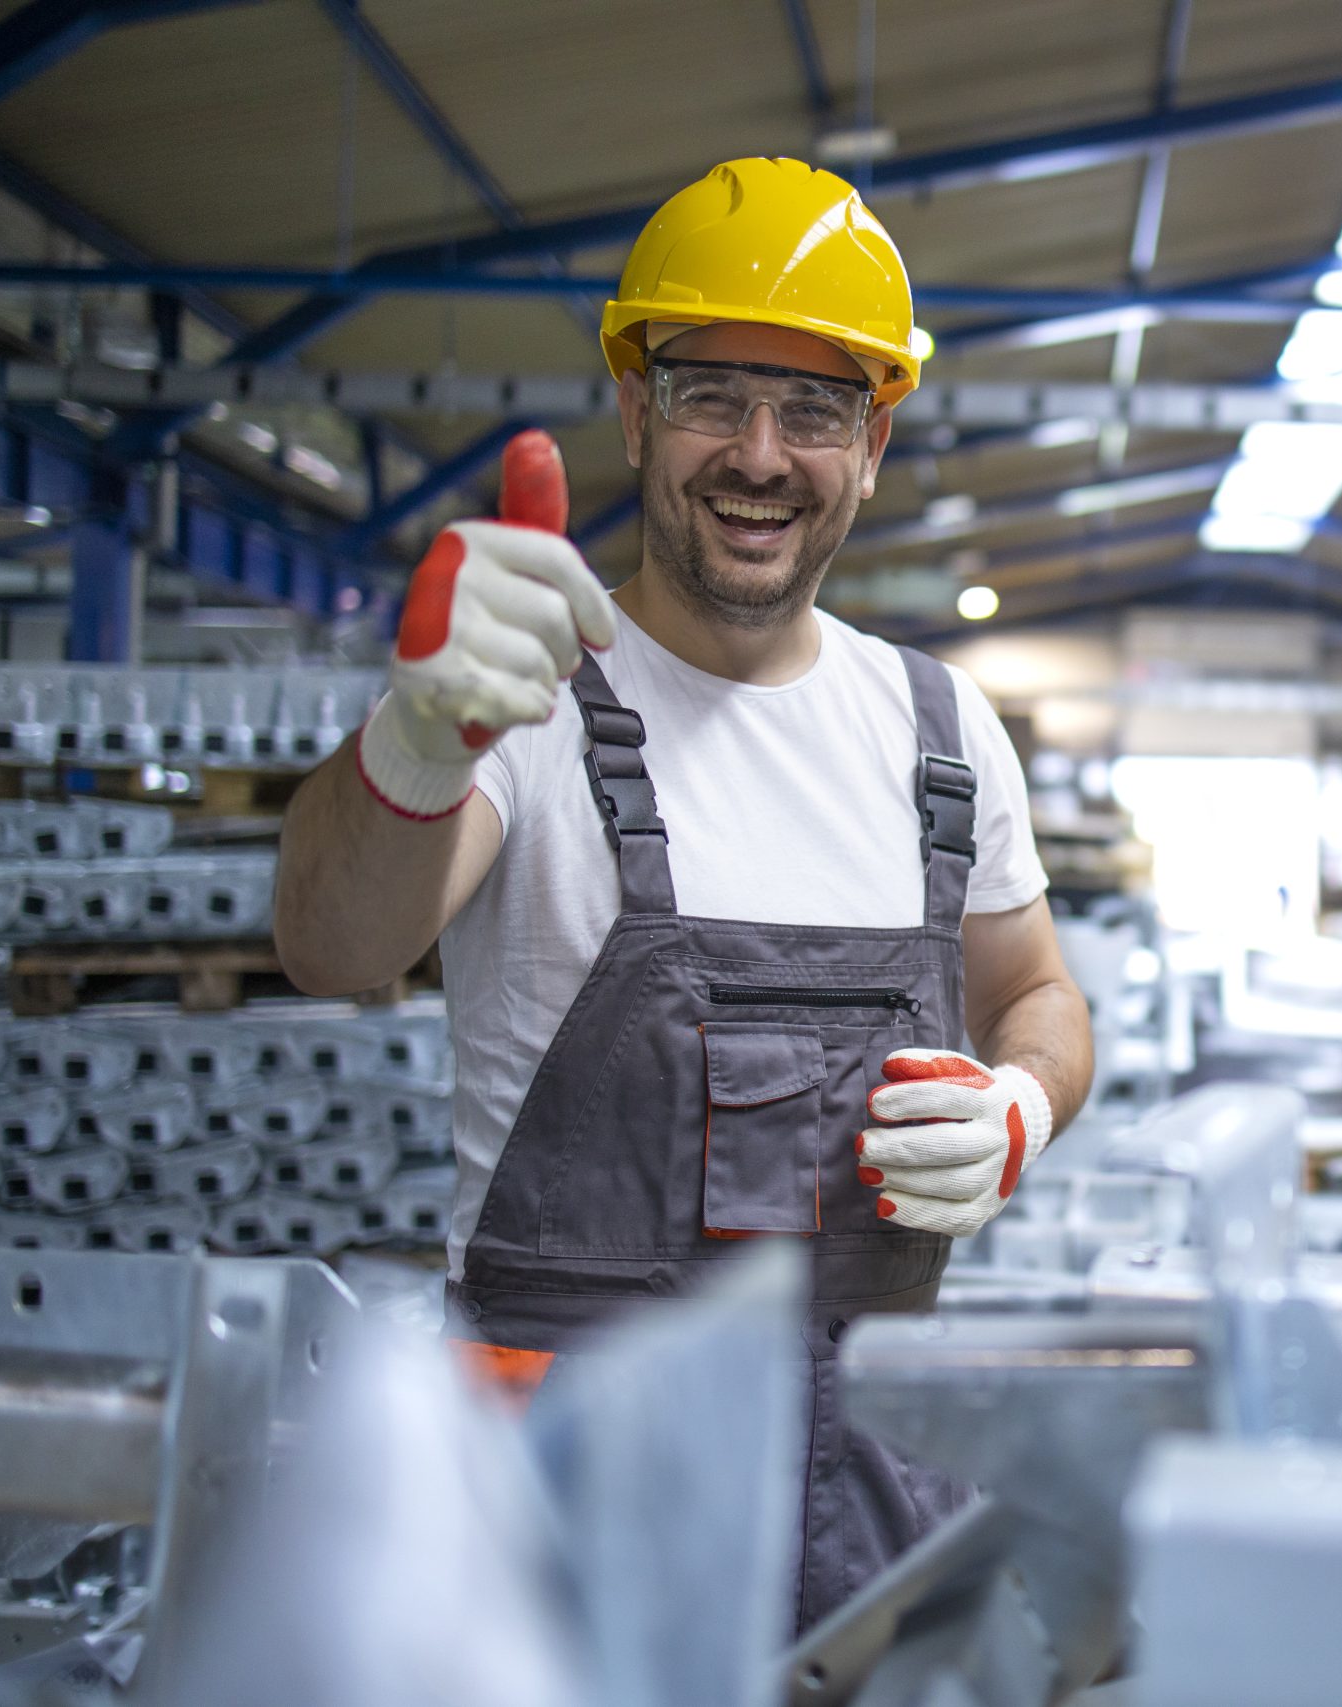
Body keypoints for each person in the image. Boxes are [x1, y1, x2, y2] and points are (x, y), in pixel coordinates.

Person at [271, 157, 1094, 1631]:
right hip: (563, 1511)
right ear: (638, 407)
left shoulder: (939, 729)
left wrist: (1021, 1104)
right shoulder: (523, 694)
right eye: (714, 394)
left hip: (882, 1504)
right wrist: (413, 744)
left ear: (875, 439)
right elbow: (333, 948)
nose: (761, 455)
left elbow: (1039, 993)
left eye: (816, 411)